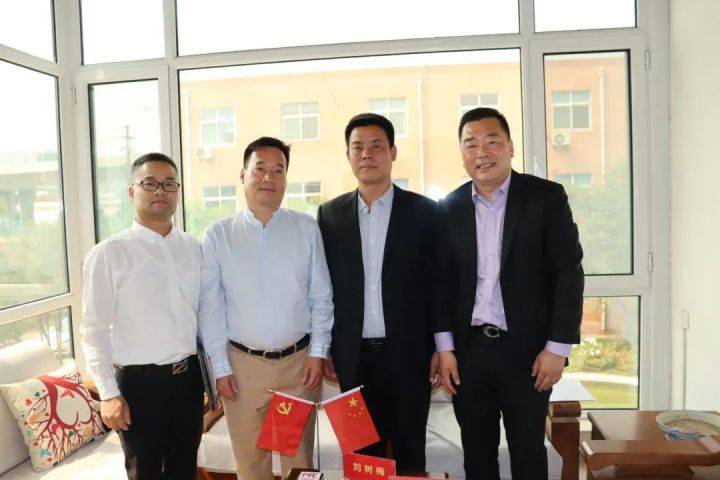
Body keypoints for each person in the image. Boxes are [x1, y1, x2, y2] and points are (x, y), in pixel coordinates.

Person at [436, 108, 584, 480]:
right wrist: (444, 348)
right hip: (469, 353)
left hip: (529, 353)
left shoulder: (545, 198)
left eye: (492, 141)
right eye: (471, 144)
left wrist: (557, 348)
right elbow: (440, 283)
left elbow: (568, 272)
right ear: (462, 153)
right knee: (477, 456)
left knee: (528, 453)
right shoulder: (448, 208)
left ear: (510, 147)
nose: (481, 152)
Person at [198, 136, 333, 480]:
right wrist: (220, 368)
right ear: (243, 175)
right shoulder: (219, 235)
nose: (269, 177)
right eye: (260, 169)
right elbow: (211, 308)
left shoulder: (305, 228)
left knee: (298, 463)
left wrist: (318, 353)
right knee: (250, 463)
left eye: (279, 170)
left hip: (297, 366)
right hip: (242, 368)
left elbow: (321, 295)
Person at [317, 113, 439, 471]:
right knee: (361, 460)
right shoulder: (330, 215)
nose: (366, 154)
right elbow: (323, 287)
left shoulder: (425, 212)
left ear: (393, 152)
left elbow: (438, 285)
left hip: (410, 357)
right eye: (358, 147)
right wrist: (326, 347)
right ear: (348, 156)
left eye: (376, 146)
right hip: (352, 360)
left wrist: (439, 345)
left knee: (410, 457)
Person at [81, 153, 204, 480]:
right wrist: (109, 393)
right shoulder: (110, 253)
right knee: (144, 473)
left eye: (169, 184)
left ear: (177, 192)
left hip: (188, 381)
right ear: (132, 191)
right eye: (150, 183)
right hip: (139, 386)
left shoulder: (193, 247)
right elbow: (93, 329)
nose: (161, 191)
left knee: (184, 471)